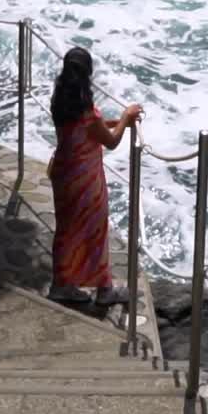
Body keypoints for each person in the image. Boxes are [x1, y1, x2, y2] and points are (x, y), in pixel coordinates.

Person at [46, 46, 143, 305]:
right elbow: (110, 141)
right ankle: (104, 290)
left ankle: (61, 285)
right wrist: (126, 117)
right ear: (88, 73)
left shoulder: (60, 102)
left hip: (63, 174)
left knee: (66, 230)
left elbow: (88, 128)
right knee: (95, 231)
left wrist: (113, 122)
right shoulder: (88, 112)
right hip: (85, 180)